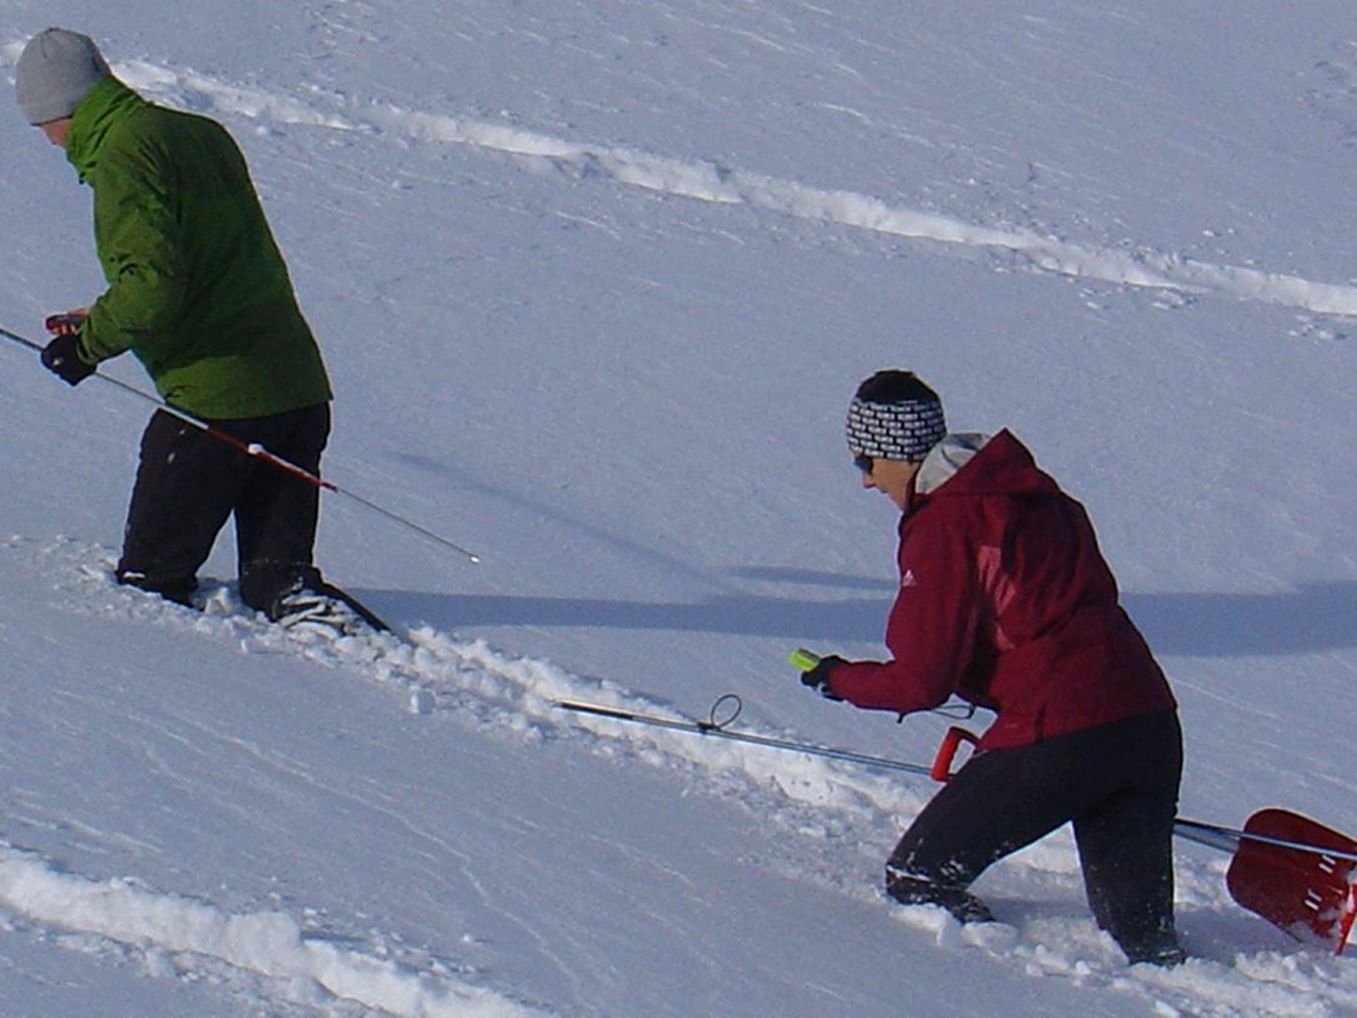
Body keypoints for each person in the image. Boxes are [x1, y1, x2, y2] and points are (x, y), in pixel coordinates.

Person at [798, 369, 1184, 966]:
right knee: (1140, 941)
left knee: (919, 879)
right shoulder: (1041, 499)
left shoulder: (946, 524)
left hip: (1059, 735)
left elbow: (921, 680)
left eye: (866, 462)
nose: (868, 481)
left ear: (900, 453)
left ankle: (1003, 986)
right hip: (1147, 723)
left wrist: (839, 679)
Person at [16, 27, 381, 633]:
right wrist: (101, 313)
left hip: (216, 412)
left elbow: (153, 289)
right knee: (277, 578)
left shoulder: (123, 157)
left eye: (43, 125)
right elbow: (207, 263)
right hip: (296, 389)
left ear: (62, 108)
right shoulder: (197, 133)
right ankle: (366, 656)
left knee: (148, 586)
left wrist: (86, 347)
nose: (50, 141)